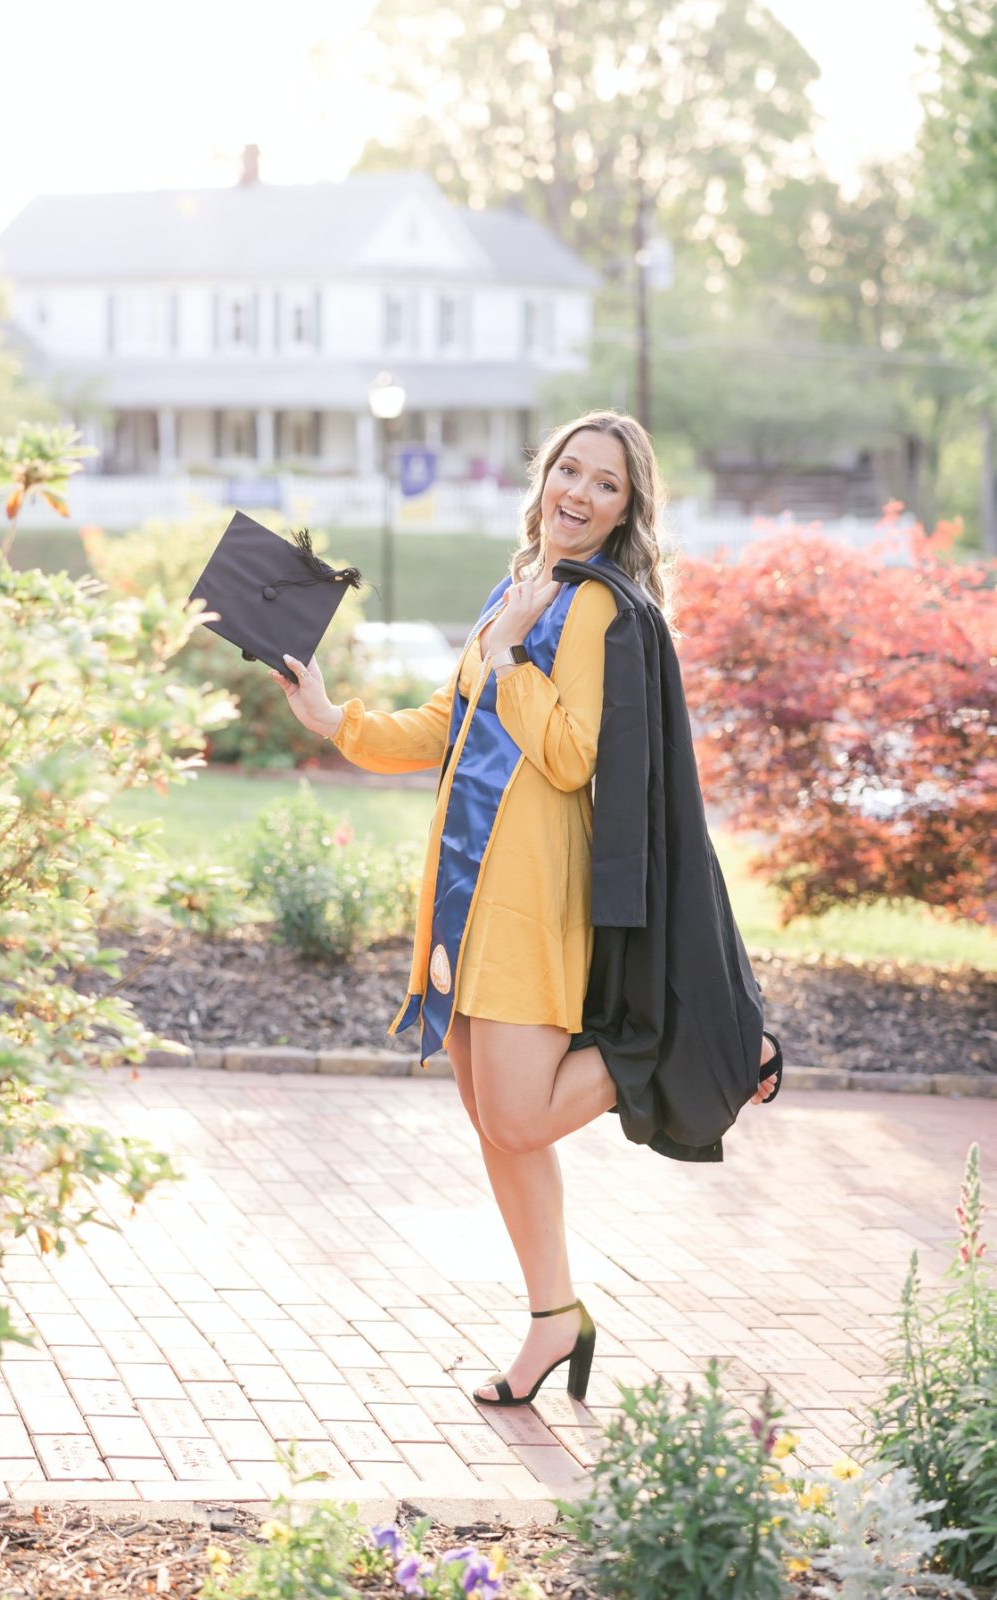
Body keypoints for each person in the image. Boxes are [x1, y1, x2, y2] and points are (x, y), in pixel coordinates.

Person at [272, 410, 781, 1409]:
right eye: (569, 469)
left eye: (605, 484)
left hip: (529, 903)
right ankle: (554, 1318)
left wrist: (511, 657)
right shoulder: (514, 588)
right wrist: (335, 718)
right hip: (462, 903)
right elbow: (444, 722)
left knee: (515, 1111)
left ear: (627, 508)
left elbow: (570, 754)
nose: (579, 493)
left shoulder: (592, 611)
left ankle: (689, 1035)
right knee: (500, 1129)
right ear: (542, 474)